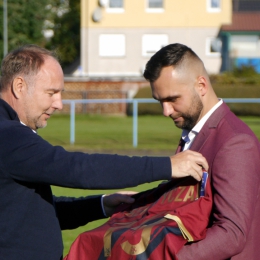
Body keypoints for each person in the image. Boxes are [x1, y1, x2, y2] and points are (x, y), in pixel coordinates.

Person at [0, 44, 208, 260]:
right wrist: (168, 166)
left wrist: (100, 205)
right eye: (51, 93)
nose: (59, 104)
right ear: (19, 86)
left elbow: (32, 213)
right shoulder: (8, 136)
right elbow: (77, 169)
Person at [143, 43, 260, 259]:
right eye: (159, 101)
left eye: (172, 99)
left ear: (201, 85)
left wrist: (169, 257)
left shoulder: (236, 142)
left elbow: (232, 233)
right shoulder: (193, 131)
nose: (165, 111)